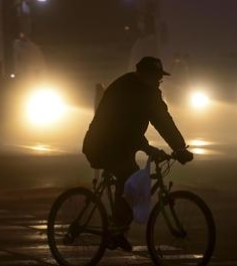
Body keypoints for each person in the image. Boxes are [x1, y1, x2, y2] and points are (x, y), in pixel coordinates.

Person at [82, 56, 194, 251]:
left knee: (131, 177)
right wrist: (147, 147)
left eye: (160, 78)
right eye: (156, 77)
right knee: (130, 175)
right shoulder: (126, 90)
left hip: (121, 146)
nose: (158, 82)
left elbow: (163, 119)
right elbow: (125, 128)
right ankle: (117, 227)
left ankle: (119, 226)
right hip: (101, 144)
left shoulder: (150, 93)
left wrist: (179, 148)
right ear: (143, 75)